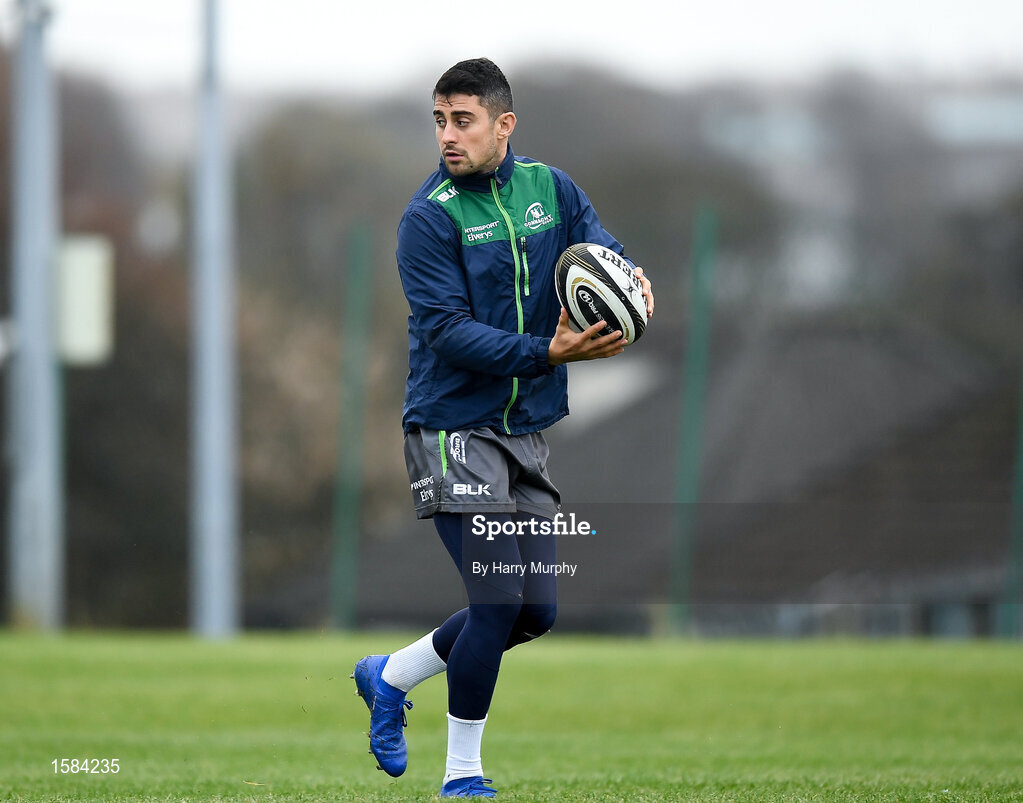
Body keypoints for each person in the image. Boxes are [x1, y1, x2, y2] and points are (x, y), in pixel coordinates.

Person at [353, 57, 654, 799]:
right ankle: (462, 776)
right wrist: (544, 351)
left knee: (534, 610)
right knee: (495, 600)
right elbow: (449, 332)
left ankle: (389, 675)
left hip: (524, 427)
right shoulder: (428, 218)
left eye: (462, 120)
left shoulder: (552, 190)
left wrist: (634, 282)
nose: (447, 136)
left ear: (502, 125)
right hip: (452, 427)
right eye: (438, 121)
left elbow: (602, 252)